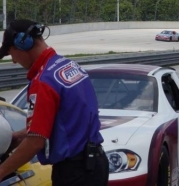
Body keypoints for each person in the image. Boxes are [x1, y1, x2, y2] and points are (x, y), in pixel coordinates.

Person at [0, 19, 109, 186]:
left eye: (11, 53)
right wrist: (20, 135)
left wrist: (1, 172)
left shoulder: (43, 82)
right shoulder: (69, 66)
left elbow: (35, 142)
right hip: (95, 164)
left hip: (74, 172)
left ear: (23, 44)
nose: (14, 61)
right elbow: (65, 119)